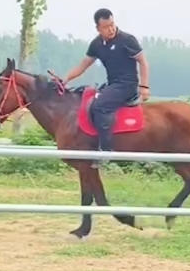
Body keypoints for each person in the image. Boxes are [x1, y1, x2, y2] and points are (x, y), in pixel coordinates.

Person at [62, 9, 150, 165]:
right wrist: (65, 79)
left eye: (112, 24)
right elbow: (83, 66)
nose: (111, 29)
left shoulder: (127, 40)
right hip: (112, 84)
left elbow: (143, 62)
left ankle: (105, 150)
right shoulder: (96, 44)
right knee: (86, 96)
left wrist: (144, 86)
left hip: (127, 85)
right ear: (98, 28)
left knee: (100, 106)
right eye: (106, 27)